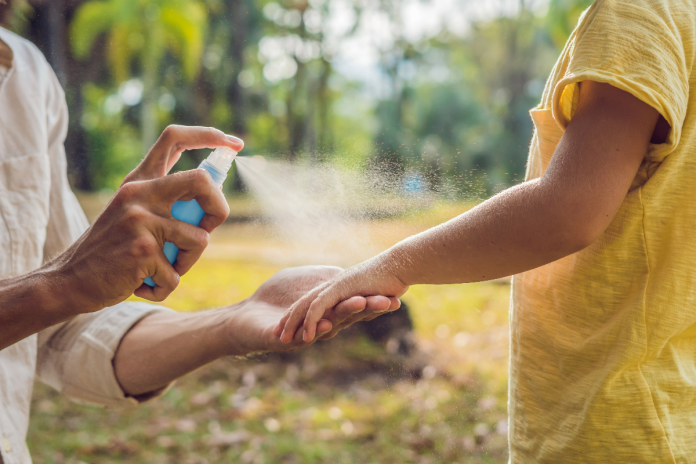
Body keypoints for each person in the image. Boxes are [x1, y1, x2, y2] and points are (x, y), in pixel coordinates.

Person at [277, 0, 696, 462]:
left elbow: (570, 208)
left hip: (617, 419)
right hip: (670, 402)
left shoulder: (639, 10)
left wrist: (394, 265)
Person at [0, 25, 400, 464]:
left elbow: (65, 331)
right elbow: (57, 295)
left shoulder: (26, 77)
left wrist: (231, 323)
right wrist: (65, 283)